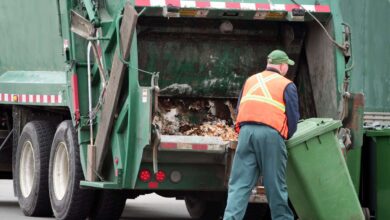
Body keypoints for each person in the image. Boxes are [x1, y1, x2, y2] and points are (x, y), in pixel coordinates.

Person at [223, 50, 299, 220]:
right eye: (287, 65)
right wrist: (285, 136)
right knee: (275, 186)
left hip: (246, 133)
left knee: (239, 185)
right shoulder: (287, 85)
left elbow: (239, 109)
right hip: (271, 136)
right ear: (281, 65)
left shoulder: (250, 80)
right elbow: (293, 118)